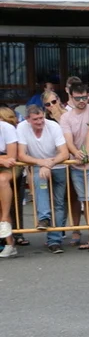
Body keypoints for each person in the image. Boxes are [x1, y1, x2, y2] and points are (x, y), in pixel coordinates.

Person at [16, 105, 69, 253]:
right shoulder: (22, 127)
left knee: (58, 203)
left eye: (41, 118)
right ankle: (44, 217)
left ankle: (55, 240)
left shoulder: (53, 126)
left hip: (58, 165)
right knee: (40, 183)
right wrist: (41, 163)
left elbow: (64, 153)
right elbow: (21, 154)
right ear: (28, 119)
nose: (40, 122)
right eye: (36, 119)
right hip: (39, 166)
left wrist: (49, 164)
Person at [59, 82, 89, 251]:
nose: (82, 101)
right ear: (71, 97)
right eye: (78, 98)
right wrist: (76, 153)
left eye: (84, 97)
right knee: (85, 201)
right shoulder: (66, 117)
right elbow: (67, 140)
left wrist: (85, 153)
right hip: (76, 166)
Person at [0, 107, 18, 256]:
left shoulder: (7, 127)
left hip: (11, 167)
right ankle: (9, 242)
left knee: (1, 180)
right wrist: (1, 159)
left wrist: (4, 160)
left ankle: (5, 218)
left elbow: (12, 157)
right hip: (2, 162)